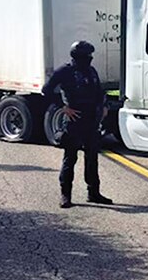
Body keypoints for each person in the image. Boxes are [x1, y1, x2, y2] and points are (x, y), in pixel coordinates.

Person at [43, 40, 113, 208]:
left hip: (92, 120)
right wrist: (63, 107)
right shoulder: (65, 71)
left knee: (92, 159)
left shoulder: (91, 71)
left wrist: (104, 106)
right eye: (86, 56)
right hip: (74, 120)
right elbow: (47, 90)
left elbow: (99, 92)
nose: (89, 59)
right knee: (70, 158)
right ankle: (65, 195)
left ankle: (93, 193)